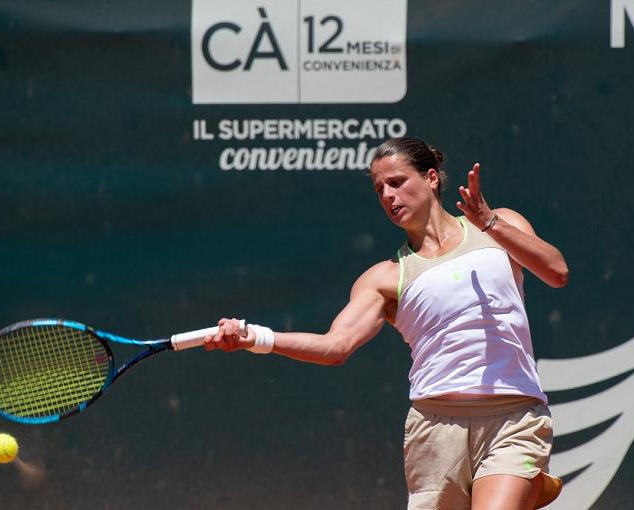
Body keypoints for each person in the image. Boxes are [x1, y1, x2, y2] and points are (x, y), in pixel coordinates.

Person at [203, 137, 569, 510]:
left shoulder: (501, 225)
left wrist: (490, 223)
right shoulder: (385, 277)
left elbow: (556, 272)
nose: (388, 196)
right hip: (435, 432)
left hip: (513, 419)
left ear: (431, 178)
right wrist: (255, 337)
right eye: (380, 189)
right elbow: (335, 347)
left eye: (396, 182)